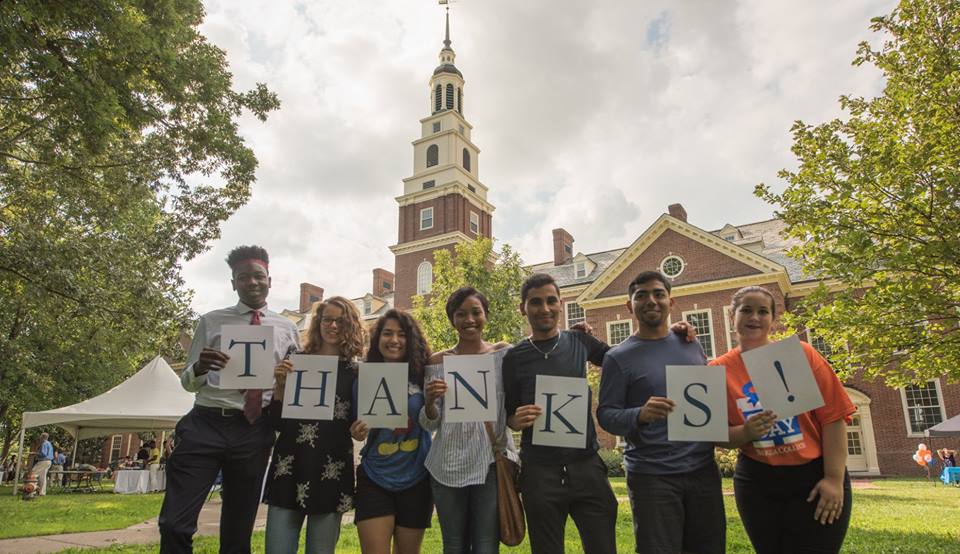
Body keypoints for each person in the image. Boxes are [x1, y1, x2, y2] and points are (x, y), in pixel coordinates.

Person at [159, 245, 300, 554]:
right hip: (206, 424)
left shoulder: (287, 329)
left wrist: (284, 381)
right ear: (233, 283)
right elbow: (187, 383)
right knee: (174, 523)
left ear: (269, 281)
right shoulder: (211, 321)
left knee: (238, 532)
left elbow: (293, 385)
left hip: (253, 429)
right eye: (243, 277)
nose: (252, 282)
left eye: (258, 276)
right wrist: (199, 367)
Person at [713, 285, 855, 554]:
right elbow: (715, 435)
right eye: (746, 310)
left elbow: (834, 417)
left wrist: (834, 479)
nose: (754, 317)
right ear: (732, 315)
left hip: (814, 476)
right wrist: (746, 432)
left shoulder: (800, 355)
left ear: (773, 320)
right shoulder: (717, 370)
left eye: (763, 311)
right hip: (758, 481)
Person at [597, 270, 726, 554]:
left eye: (658, 294)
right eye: (641, 295)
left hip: (703, 470)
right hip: (652, 477)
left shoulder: (691, 343)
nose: (651, 300)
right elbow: (606, 415)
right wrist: (639, 414)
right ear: (629, 306)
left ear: (671, 302)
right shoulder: (617, 357)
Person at [420, 287, 516, 554]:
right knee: (453, 545)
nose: (469, 320)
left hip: (489, 462)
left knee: (486, 546)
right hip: (447, 464)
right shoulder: (438, 361)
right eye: (461, 314)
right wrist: (429, 402)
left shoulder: (503, 355)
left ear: (486, 316)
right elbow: (429, 424)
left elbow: (538, 351)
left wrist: (576, 337)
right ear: (452, 319)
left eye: (476, 312)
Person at [264, 296, 364, 554]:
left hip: (332, 467)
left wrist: (360, 429)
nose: (332, 326)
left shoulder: (357, 372)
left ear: (350, 326)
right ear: (318, 322)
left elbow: (358, 421)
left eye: (340, 321)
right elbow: (275, 422)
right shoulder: (294, 362)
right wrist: (280, 387)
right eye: (327, 319)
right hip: (289, 465)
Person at [350, 310, 433, 554]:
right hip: (375, 476)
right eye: (387, 333)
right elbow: (358, 429)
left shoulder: (424, 376)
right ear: (377, 339)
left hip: (417, 477)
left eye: (401, 334)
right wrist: (357, 432)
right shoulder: (363, 378)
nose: (394, 340)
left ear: (411, 339)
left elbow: (433, 421)